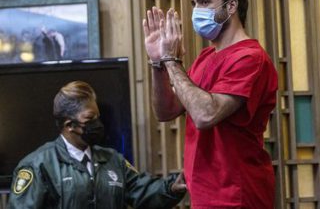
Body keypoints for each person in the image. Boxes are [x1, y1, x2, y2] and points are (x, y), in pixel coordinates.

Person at [143, 0, 277, 209]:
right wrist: (158, 63)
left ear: (231, 6)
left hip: (236, 194)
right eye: (195, 3)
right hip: (204, 193)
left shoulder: (250, 57)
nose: (197, 11)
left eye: (205, 2)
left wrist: (171, 60)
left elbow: (206, 114)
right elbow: (166, 111)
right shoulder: (205, 56)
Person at [7, 81, 186, 209]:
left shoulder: (113, 159)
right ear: (69, 126)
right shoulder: (37, 166)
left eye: (98, 117)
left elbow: (143, 192)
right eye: (89, 119)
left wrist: (172, 187)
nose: (98, 124)